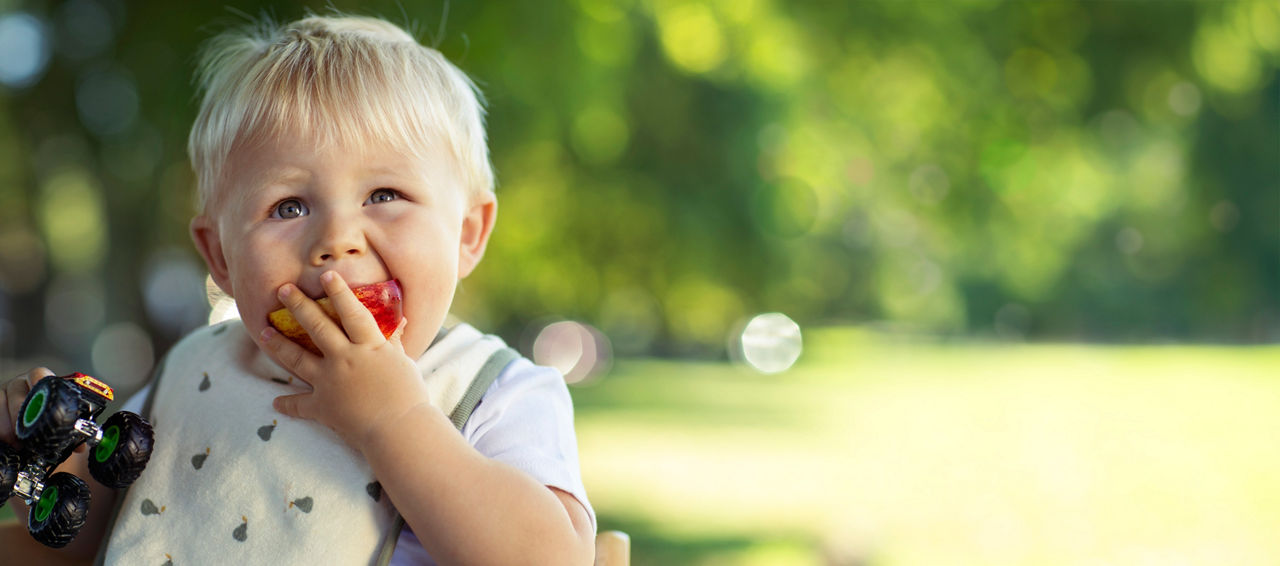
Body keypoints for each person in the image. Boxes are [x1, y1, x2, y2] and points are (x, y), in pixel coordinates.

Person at [1, 13, 596, 565]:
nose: (337, 239)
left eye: (384, 196)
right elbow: (90, 537)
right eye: (288, 205)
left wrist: (395, 419)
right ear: (221, 257)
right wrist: (44, 464)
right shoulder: (188, 371)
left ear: (467, 233)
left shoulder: (494, 390)